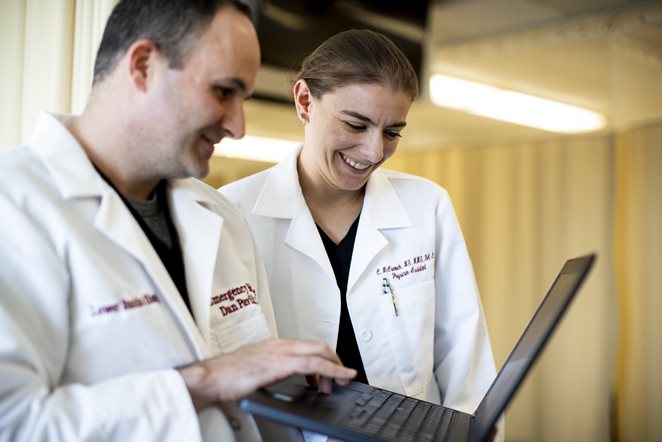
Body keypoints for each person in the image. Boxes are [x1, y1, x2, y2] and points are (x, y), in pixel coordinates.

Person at [0, 1, 356, 441]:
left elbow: (255, 401)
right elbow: (15, 423)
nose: (237, 126)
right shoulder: (13, 210)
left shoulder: (221, 217)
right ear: (144, 66)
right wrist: (203, 381)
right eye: (224, 91)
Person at [220, 29, 503, 440]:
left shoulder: (427, 206)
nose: (373, 152)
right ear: (304, 102)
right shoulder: (232, 213)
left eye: (392, 132)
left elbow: (465, 360)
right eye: (356, 124)